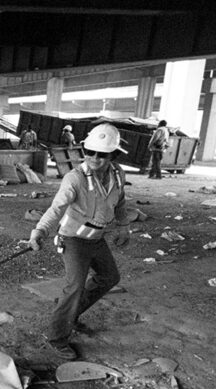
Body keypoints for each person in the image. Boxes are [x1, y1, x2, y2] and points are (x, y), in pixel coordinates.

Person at [28, 123, 130, 360]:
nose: (95, 158)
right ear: (84, 151)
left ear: (113, 155)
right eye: (90, 152)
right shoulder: (75, 179)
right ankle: (56, 336)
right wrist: (39, 231)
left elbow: (121, 201)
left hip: (97, 238)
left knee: (110, 277)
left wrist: (124, 227)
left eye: (102, 154)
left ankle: (68, 313)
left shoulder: (118, 174)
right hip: (73, 239)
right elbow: (56, 208)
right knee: (74, 286)